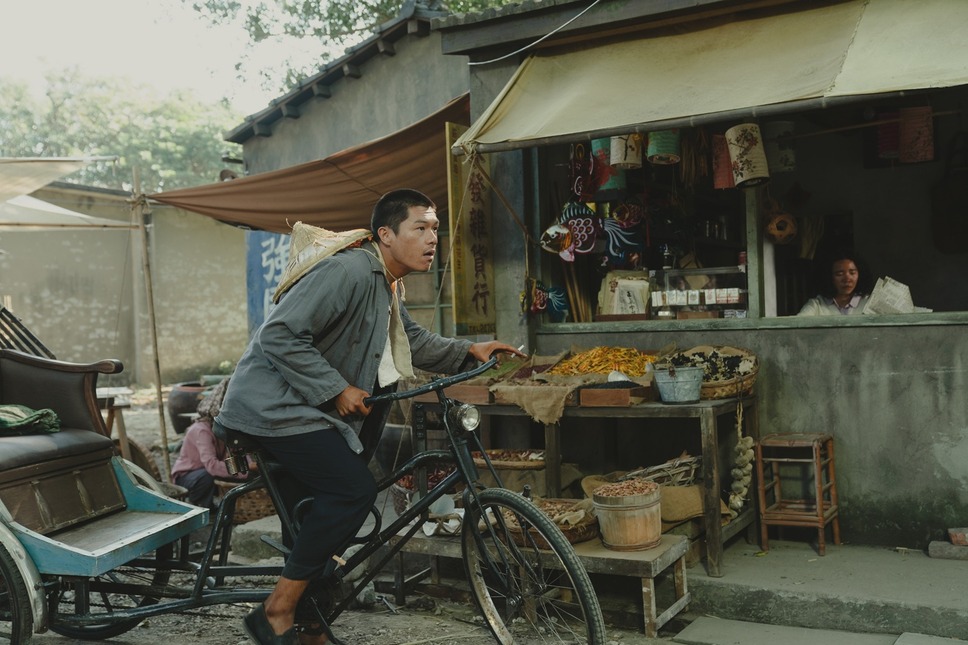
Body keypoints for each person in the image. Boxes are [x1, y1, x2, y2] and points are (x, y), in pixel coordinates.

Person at [215, 188, 524, 645]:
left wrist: (468, 351)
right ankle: (276, 612)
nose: (431, 238)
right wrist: (336, 388)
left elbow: (409, 340)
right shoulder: (351, 270)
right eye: (419, 228)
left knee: (311, 522)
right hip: (275, 410)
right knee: (351, 492)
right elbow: (279, 335)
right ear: (386, 234)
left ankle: (310, 629)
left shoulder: (385, 281)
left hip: (308, 414)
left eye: (435, 228)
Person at [170, 377, 251, 510]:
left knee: (234, 470)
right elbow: (212, 466)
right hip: (187, 476)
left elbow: (236, 452)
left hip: (205, 473)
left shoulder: (224, 431)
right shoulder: (202, 430)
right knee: (207, 476)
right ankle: (200, 506)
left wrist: (248, 465)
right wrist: (246, 472)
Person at [798, 250, 872, 316]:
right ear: (829, 277)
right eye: (839, 274)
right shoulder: (817, 305)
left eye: (852, 273)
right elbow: (797, 326)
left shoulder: (869, 303)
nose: (847, 279)